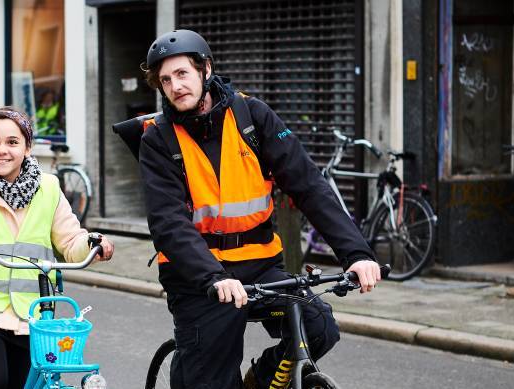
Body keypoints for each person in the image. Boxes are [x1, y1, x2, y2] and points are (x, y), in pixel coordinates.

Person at [135, 30, 382, 388]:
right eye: (166, 80)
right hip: (197, 277)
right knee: (212, 377)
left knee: (319, 328)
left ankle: (259, 380)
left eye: (183, 74)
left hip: (261, 265)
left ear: (205, 70)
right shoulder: (158, 138)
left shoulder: (252, 115)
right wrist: (214, 277)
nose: (175, 86)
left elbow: (309, 185)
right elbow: (168, 222)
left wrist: (356, 254)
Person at [0, 108, 114, 389]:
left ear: (27, 148)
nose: (2, 150)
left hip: (32, 314)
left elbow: (71, 240)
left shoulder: (48, 187)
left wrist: (92, 243)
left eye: (12, 142)